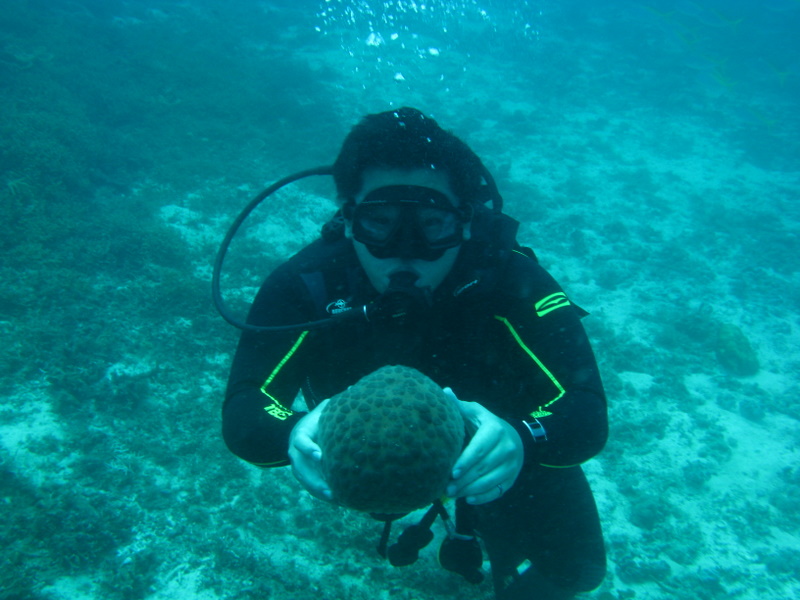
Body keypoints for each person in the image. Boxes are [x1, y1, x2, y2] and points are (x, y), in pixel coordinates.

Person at [222, 107, 608, 600]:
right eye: (380, 222)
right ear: (348, 218)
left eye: (431, 222)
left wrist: (523, 439)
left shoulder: (512, 283)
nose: (404, 250)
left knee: (576, 570)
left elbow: (585, 407)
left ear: (466, 222)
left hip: (497, 454)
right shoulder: (306, 286)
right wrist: (290, 434)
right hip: (367, 457)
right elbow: (245, 405)